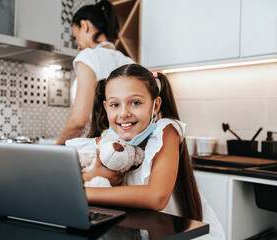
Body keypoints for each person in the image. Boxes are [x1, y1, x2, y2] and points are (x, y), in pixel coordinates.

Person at [69, 64, 225, 239]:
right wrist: (93, 175)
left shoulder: (166, 130)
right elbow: (58, 186)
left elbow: (156, 196)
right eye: (114, 104)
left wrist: (82, 194)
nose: (123, 113)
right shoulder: (104, 146)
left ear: (155, 105)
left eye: (135, 103)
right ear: (105, 107)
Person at [55, 0, 134, 145]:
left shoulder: (88, 57)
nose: (77, 46)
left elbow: (79, 120)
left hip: (95, 149)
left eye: (75, 37)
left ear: (84, 26)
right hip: (125, 150)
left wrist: (57, 146)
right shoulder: (130, 62)